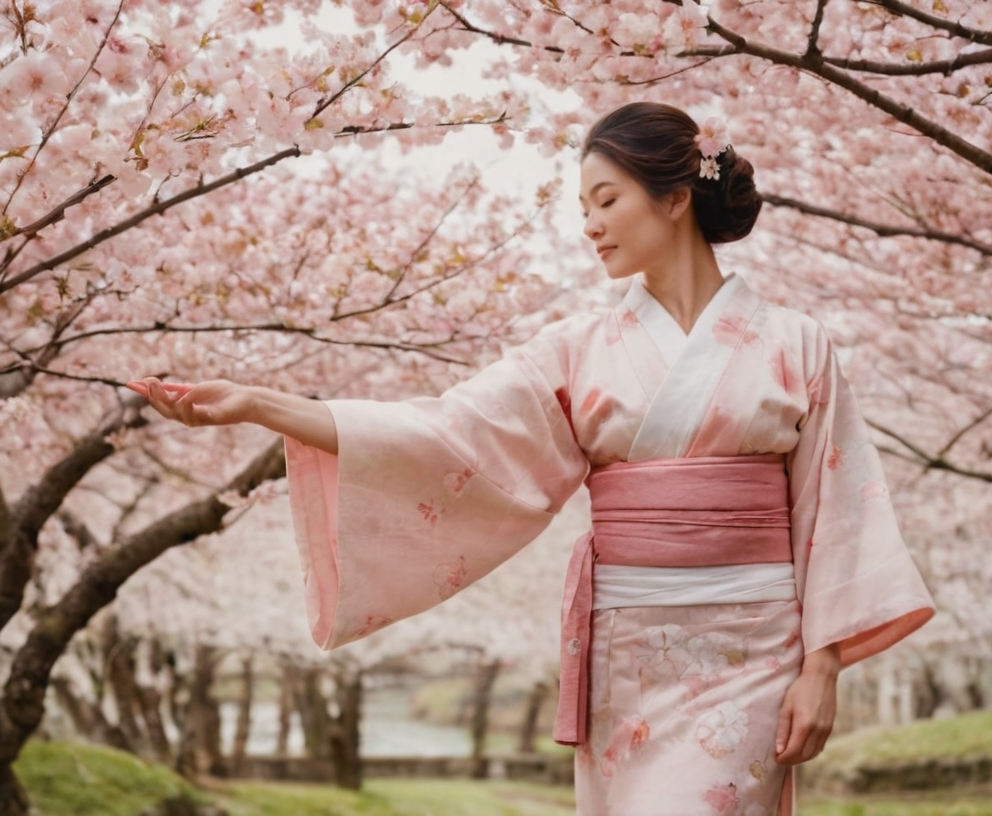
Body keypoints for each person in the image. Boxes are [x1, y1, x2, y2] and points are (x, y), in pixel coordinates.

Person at [129, 101, 934, 815]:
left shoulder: (797, 344)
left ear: (677, 197)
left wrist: (821, 667)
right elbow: (449, 434)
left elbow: (836, 508)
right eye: (583, 206)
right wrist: (265, 405)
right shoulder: (576, 349)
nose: (589, 225)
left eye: (606, 200)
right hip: (629, 659)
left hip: (756, 654)